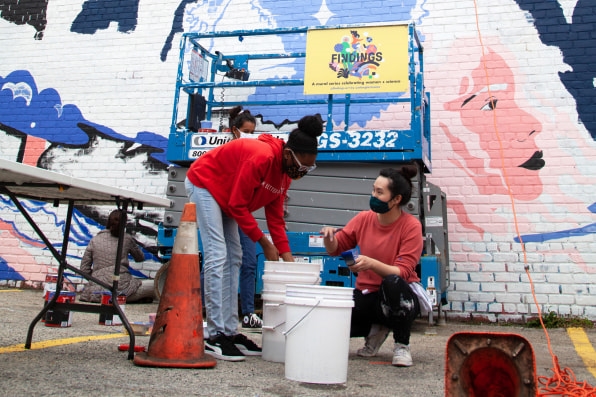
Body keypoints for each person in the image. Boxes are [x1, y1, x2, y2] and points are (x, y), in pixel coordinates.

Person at [185, 114, 323, 361]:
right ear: (289, 153)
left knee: (235, 256)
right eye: (302, 165)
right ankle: (214, 336)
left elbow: (276, 221)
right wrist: (264, 242)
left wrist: (288, 260)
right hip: (204, 183)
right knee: (217, 254)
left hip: (225, 195)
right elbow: (239, 205)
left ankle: (229, 330)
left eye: (308, 168)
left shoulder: (282, 177)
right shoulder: (261, 157)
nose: (302, 171)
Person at [320, 166, 431, 367]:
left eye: (379, 193)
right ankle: (376, 329)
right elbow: (338, 247)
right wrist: (329, 238)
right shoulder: (364, 218)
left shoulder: (411, 226)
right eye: (373, 190)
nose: (373, 196)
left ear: (396, 199)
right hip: (368, 295)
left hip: (401, 297)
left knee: (393, 282)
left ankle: (402, 345)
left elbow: (404, 271)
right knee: (336, 320)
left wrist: (371, 263)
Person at [227, 106, 263, 329]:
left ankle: (248, 312)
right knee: (219, 260)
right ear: (235, 130)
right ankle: (202, 307)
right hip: (226, 211)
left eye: (253, 131)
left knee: (249, 262)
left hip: (244, 213)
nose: (249, 135)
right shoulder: (229, 152)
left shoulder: (254, 153)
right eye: (246, 130)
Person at [79, 209, 155, 304]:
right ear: (125, 224)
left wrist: (98, 278)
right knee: (153, 286)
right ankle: (129, 298)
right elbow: (140, 258)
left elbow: (84, 270)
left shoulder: (94, 240)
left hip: (97, 288)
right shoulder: (127, 238)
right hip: (122, 285)